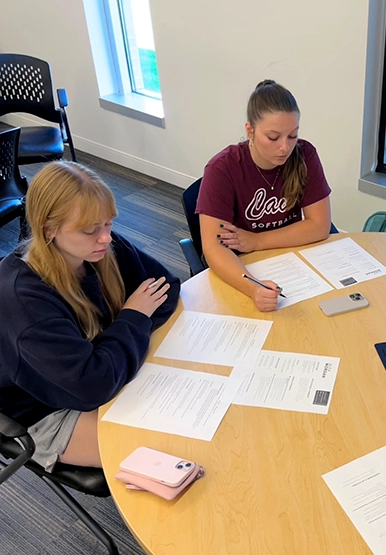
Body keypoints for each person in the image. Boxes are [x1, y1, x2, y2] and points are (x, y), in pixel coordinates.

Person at [0, 161, 180, 471]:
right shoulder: (24, 302)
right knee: (172, 451)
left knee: (194, 416)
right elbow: (91, 387)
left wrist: (113, 351)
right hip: (47, 410)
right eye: (90, 229)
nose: (106, 237)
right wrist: (133, 317)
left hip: (102, 371)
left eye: (108, 223)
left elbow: (166, 288)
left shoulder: (98, 247)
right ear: (48, 229)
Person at [196, 79, 332, 312]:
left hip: (289, 255)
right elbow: (214, 247)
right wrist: (254, 287)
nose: (285, 148)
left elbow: (320, 226)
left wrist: (257, 240)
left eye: (292, 136)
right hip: (242, 265)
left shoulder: (305, 155)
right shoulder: (222, 169)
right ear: (250, 130)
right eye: (273, 137)